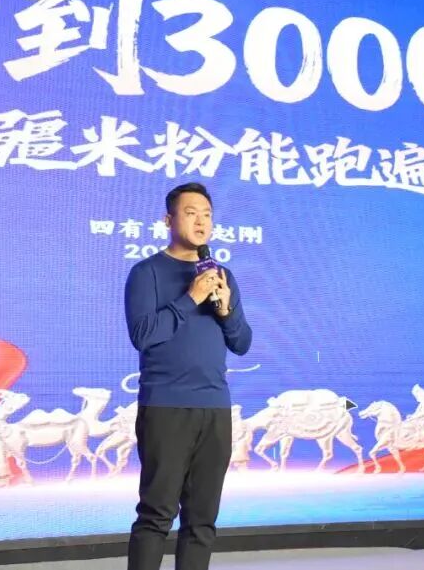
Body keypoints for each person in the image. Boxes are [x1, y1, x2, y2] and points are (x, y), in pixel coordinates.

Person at [124, 182, 253, 570]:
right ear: (169, 220)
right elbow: (143, 335)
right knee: (156, 515)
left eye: (207, 215)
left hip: (214, 408)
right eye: (191, 213)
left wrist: (225, 310)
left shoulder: (222, 275)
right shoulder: (146, 273)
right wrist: (190, 299)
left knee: (202, 520)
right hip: (166, 408)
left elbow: (242, 343)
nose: (201, 222)